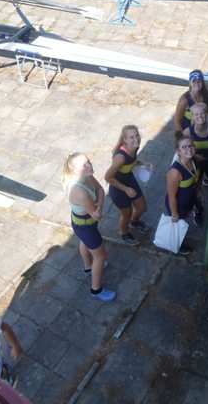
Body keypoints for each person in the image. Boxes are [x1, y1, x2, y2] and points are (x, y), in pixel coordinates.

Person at [63, 152, 116, 302]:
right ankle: (96, 289)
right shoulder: (79, 192)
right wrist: (98, 208)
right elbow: (96, 215)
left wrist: (99, 205)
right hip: (86, 226)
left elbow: (100, 190)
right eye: (84, 164)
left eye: (89, 161)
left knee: (84, 242)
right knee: (100, 257)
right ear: (74, 169)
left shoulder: (86, 175)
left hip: (82, 224)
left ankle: (88, 267)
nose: (89, 165)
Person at [104, 125, 152, 246]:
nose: (136, 139)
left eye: (137, 135)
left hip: (129, 181)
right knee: (127, 214)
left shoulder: (134, 147)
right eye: (131, 137)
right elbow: (108, 177)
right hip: (118, 188)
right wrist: (126, 189)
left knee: (142, 208)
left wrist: (141, 162)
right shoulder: (120, 158)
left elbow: (131, 161)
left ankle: (134, 223)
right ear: (124, 139)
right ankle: (124, 234)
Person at [164, 134, 200, 255]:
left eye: (191, 146)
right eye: (184, 147)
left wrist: (199, 190)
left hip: (189, 200)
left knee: (183, 221)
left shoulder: (193, 161)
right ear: (178, 151)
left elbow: (194, 179)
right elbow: (171, 196)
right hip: (177, 205)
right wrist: (175, 214)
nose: (189, 149)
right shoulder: (175, 172)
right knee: (177, 226)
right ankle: (177, 245)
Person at [183, 102, 208, 188]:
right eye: (196, 114)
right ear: (192, 117)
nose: (200, 116)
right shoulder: (187, 132)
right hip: (196, 163)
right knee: (196, 187)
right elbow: (180, 150)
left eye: (202, 113)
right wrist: (194, 156)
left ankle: (207, 179)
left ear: (206, 114)